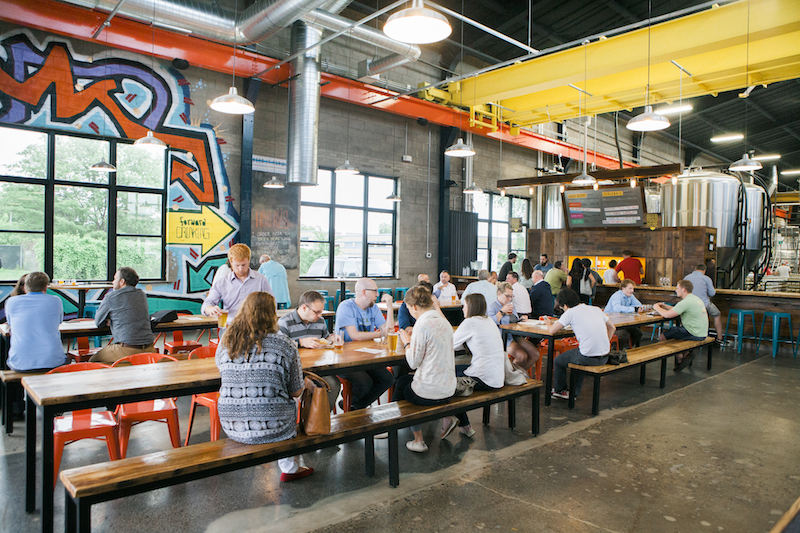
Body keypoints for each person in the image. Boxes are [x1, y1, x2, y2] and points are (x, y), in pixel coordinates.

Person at [216, 291, 312, 482]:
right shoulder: (285, 344)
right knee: (284, 403)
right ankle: (290, 469)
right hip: (275, 427)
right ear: (272, 314)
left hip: (231, 424)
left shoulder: (226, 341)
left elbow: (222, 370)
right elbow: (296, 391)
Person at [394, 286, 456, 452]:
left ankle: (416, 439)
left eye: (408, 308)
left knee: (401, 384)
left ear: (414, 307)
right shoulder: (445, 322)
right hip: (449, 390)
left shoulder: (422, 325)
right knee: (407, 381)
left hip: (429, 393)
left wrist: (407, 342)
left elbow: (413, 363)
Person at [442, 293, 506, 438]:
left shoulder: (470, 322)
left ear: (471, 307)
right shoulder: (489, 320)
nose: (462, 309)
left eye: (464, 306)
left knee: (446, 378)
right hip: (497, 377)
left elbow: (449, 345)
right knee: (455, 371)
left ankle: (455, 420)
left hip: (484, 378)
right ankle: (465, 427)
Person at [333, 278, 395, 410]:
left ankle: (353, 406)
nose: (377, 295)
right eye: (375, 291)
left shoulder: (374, 308)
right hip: (346, 358)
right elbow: (355, 336)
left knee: (388, 379)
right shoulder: (346, 306)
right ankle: (351, 404)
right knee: (365, 383)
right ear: (364, 292)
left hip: (367, 356)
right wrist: (379, 334)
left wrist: (390, 307)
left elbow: (389, 331)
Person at [277, 290, 341, 409]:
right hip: (295, 370)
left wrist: (332, 338)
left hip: (319, 366)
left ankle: (320, 419)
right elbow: (280, 348)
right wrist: (300, 342)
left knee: (333, 384)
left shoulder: (320, 321)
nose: (320, 315)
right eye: (316, 312)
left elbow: (326, 337)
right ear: (304, 307)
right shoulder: (285, 322)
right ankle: (311, 419)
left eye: (321, 312)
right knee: (326, 384)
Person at [549, 288, 615, 400]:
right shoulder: (596, 309)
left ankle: (560, 390)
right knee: (579, 354)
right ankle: (573, 393)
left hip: (588, 357)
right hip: (605, 356)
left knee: (559, 361)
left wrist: (547, 323)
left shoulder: (570, 312)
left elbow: (551, 331)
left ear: (565, 305)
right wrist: (605, 342)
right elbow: (612, 327)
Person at [90, 267, 158, 363]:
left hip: (127, 350)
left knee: (92, 361)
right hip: (150, 348)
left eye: (114, 279)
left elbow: (98, 322)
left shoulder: (111, 297)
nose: (113, 282)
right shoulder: (141, 294)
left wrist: (111, 321)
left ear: (122, 282)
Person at [5, 271, 67, 372]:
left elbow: (10, 324)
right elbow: (59, 322)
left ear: (25, 286)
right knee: (66, 358)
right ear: (45, 287)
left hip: (20, 364)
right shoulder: (56, 300)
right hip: (53, 362)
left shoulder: (11, 302)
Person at [202, 244, 273, 322]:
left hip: (255, 327)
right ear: (231, 263)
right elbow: (206, 304)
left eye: (244, 265)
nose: (240, 269)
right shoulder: (223, 282)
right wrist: (211, 309)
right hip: (230, 327)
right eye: (237, 265)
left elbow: (272, 304)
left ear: (249, 260)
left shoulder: (261, 280)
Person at [654, 279, 709, 371]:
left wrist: (656, 307)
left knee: (663, 336)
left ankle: (681, 360)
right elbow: (679, 309)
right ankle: (686, 355)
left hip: (693, 333)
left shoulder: (686, 302)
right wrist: (666, 307)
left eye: (677, 288)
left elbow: (666, 315)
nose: (676, 290)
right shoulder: (696, 299)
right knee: (676, 332)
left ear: (684, 290)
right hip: (702, 332)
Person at [487, 282, 539, 371]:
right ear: (499, 293)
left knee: (535, 354)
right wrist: (502, 312)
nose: (509, 299)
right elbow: (490, 322)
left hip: (515, 335)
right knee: (522, 356)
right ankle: (512, 375)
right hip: (502, 337)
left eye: (511, 296)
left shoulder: (510, 305)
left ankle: (518, 373)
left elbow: (514, 319)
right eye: (507, 296)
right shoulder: (492, 306)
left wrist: (521, 318)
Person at [683, 263, 724, 344]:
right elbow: (712, 293)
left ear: (695, 269)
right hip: (703, 304)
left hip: (689, 305)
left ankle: (690, 336)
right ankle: (719, 338)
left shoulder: (687, 277)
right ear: (704, 270)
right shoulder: (706, 279)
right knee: (717, 314)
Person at [604, 279, 644, 348]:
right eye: (630, 288)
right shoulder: (617, 296)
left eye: (633, 288)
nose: (632, 291)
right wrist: (633, 309)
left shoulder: (630, 295)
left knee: (638, 333)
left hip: (623, 322)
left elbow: (639, 305)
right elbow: (617, 308)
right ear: (623, 288)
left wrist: (635, 308)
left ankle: (626, 350)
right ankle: (615, 352)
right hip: (611, 324)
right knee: (623, 334)